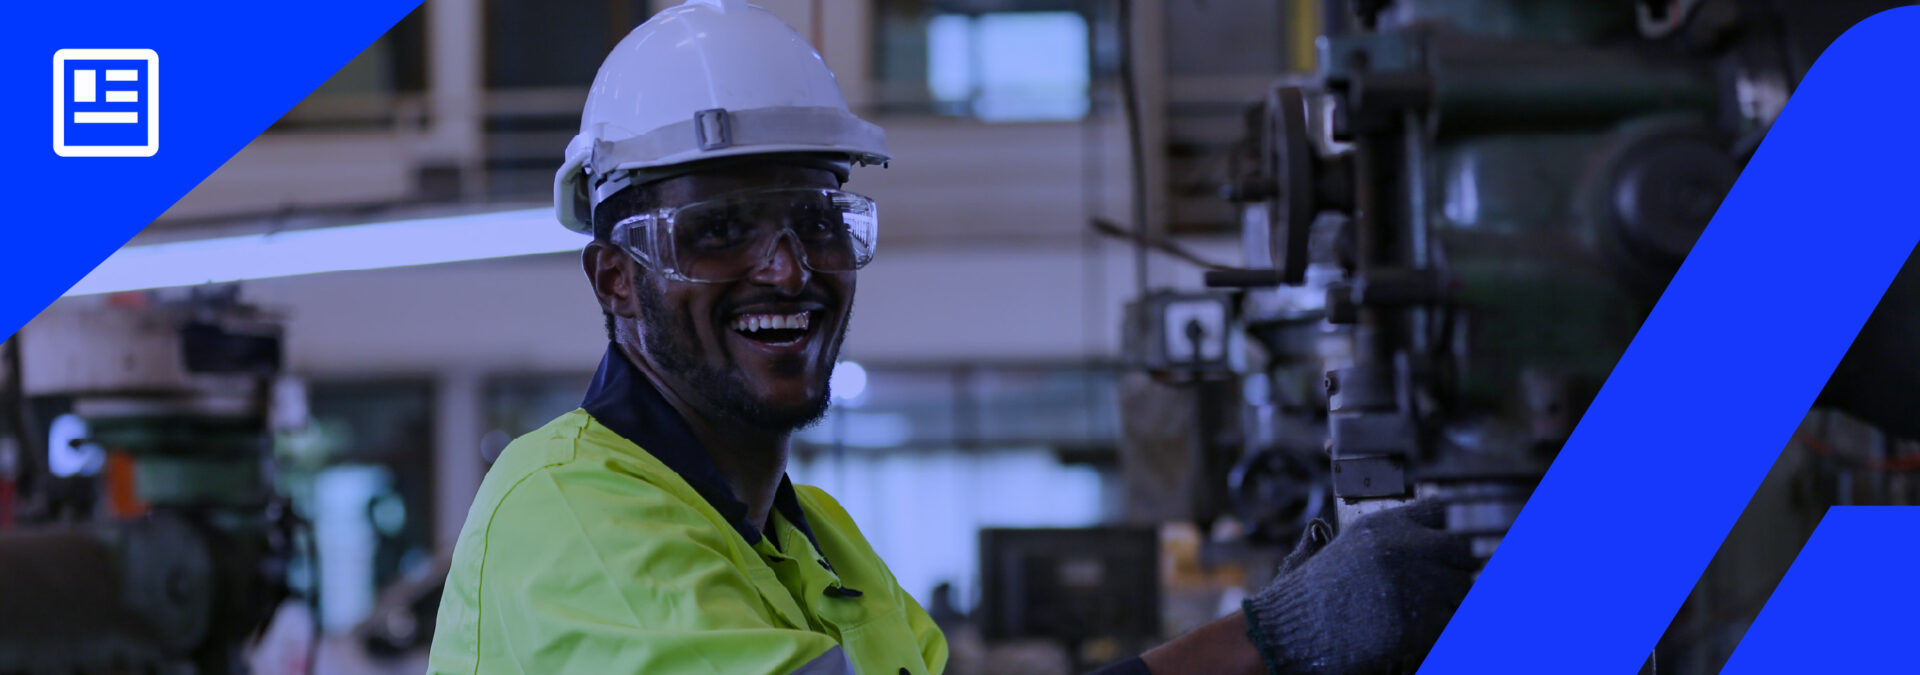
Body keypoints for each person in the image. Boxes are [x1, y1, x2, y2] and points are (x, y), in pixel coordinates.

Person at [425, 1, 1476, 673]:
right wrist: (1273, 641)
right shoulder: (567, 511)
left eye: (818, 220)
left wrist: (1281, 629)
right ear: (614, 277)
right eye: (718, 231)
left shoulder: (820, 542)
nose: (787, 270)